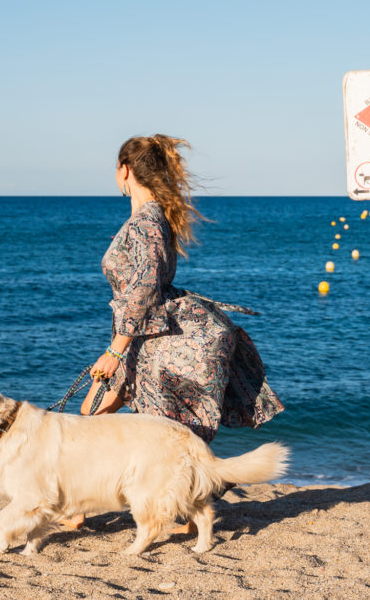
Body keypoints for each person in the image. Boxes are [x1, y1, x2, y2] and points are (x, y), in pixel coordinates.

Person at [80, 134, 284, 439]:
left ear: (124, 170)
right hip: (143, 334)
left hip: (151, 339)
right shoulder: (150, 218)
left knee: (99, 417)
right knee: (93, 413)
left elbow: (145, 287)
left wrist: (114, 351)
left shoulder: (146, 221)